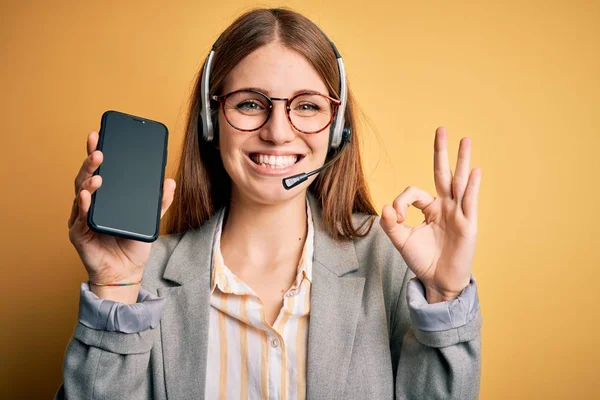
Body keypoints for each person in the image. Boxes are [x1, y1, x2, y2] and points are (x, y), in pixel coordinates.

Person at [56, 7, 482, 400]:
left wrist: (445, 295)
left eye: (308, 106)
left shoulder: (388, 260)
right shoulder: (139, 280)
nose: (278, 132)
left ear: (336, 131)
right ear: (211, 120)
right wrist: (113, 289)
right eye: (250, 104)